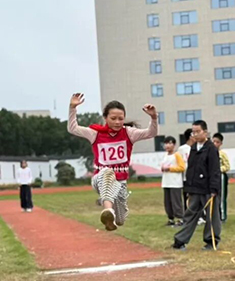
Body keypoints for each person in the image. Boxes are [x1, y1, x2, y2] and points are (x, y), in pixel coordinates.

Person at [67, 93, 158, 231]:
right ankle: (108, 210)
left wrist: (154, 117)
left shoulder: (129, 133)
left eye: (120, 119)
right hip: (100, 178)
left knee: (120, 220)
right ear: (105, 118)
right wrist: (72, 108)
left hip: (120, 182)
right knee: (108, 173)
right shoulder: (95, 133)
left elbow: (151, 133)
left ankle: (111, 216)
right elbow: (73, 128)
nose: (117, 122)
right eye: (113, 118)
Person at [173, 120, 221, 251]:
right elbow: (191, 169)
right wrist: (188, 187)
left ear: (205, 132)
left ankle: (211, 241)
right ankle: (180, 240)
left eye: (198, 131)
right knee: (190, 214)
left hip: (208, 189)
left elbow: (215, 170)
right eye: (193, 132)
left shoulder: (211, 148)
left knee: (211, 216)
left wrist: (214, 189)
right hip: (195, 188)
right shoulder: (193, 148)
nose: (195, 134)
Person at [161, 136, 186, 227]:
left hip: (175, 183)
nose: (167, 145)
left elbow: (182, 167)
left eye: (170, 143)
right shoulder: (165, 155)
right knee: (168, 202)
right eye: (166, 143)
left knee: (176, 202)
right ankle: (170, 218)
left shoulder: (177, 155)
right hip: (166, 182)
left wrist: (170, 168)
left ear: (174, 145)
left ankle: (180, 218)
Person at [212, 133, 231, 222]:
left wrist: (218, 170)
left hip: (221, 176)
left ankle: (222, 216)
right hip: (211, 177)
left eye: (217, 142)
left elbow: (227, 166)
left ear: (221, 144)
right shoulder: (209, 153)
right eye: (213, 142)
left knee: (222, 196)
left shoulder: (222, 154)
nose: (215, 144)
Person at [177, 128, 195, 211]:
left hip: (196, 177)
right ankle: (188, 214)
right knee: (187, 198)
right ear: (190, 136)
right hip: (186, 178)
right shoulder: (182, 149)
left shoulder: (197, 147)